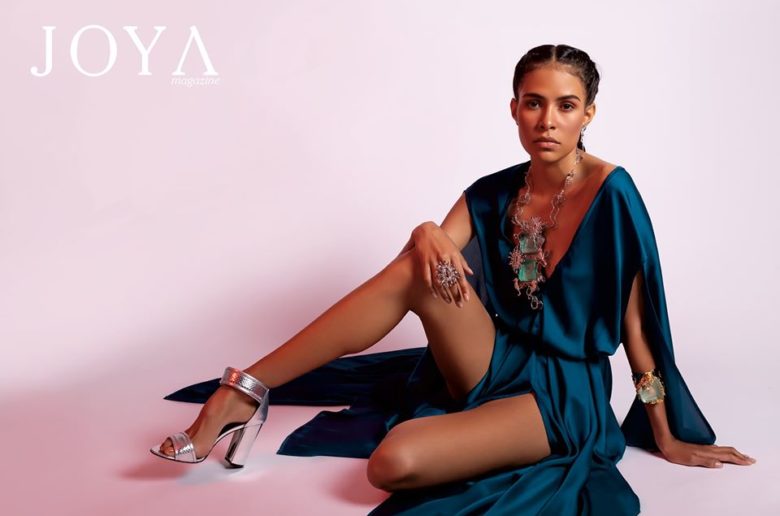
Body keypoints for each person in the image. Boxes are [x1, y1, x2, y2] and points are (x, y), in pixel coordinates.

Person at [150, 44, 756, 514]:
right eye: (533, 103)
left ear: (588, 114)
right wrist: (425, 230)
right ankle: (245, 391)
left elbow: (637, 329)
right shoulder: (492, 190)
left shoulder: (612, 192)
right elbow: (420, 270)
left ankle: (247, 398)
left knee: (391, 464)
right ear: (514, 108)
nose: (547, 121)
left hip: (561, 393)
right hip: (495, 359)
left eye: (566, 106)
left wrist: (663, 431)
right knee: (422, 258)